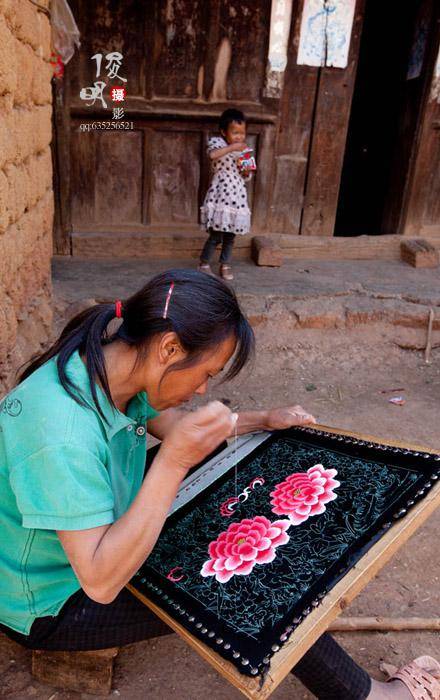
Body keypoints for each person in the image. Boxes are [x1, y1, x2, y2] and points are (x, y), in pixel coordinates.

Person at [0, 269, 438, 700]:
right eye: (206, 373)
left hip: (85, 544)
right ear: (170, 348)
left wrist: (258, 420)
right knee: (254, 575)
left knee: (224, 478)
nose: (202, 389)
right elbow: (99, 582)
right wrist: (171, 464)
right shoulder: (60, 433)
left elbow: (169, 423)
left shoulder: (110, 363)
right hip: (54, 604)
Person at [199, 108, 252, 281]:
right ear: (223, 132)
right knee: (216, 235)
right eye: (235, 132)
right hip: (221, 194)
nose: (239, 137)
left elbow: (247, 175)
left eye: (242, 133)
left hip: (237, 197)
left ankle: (225, 265)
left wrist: (244, 167)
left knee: (230, 236)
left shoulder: (245, 150)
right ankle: (204, 263)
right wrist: (232, 148)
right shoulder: (217, 143)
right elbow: (212, 155)